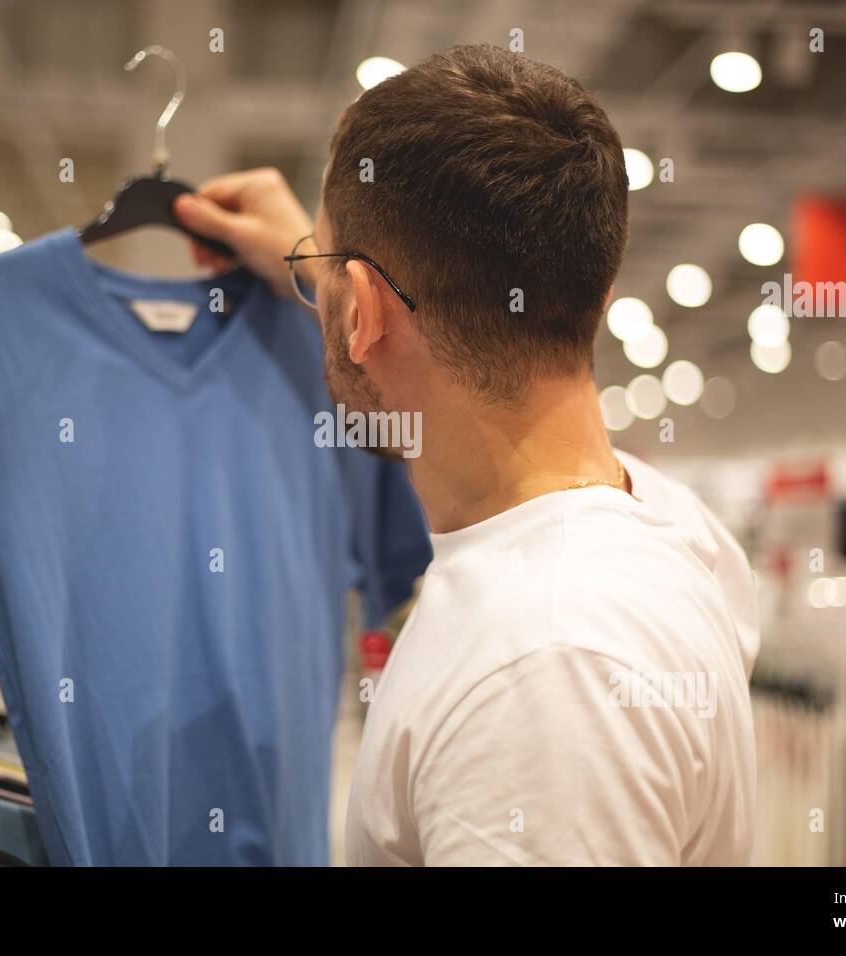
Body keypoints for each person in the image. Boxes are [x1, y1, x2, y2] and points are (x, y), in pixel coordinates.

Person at [172, 43, 759, 866]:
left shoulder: (541, 675)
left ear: (363, 313)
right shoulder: (662, 523)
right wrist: (321, 266)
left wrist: (336, 274)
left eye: (322, 267)